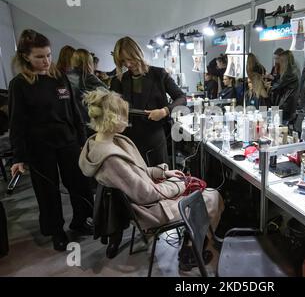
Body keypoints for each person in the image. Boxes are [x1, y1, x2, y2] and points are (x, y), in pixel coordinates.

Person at [79, 89, 223, 263]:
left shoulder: (104, 142)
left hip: (147, 200)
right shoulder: (111, 159)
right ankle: (191, 254)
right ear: (114, 118)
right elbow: (147, 194)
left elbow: (136, 172)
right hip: (149, 210)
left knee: (205, 194)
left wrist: (163, 172)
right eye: (125, 115)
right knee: (212, 196)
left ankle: (191, 240)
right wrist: (179, 185)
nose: (128, 119)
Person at [9, 30, 93, 251]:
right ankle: (56, 231)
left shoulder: (59, 76)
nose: (46, 61)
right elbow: (16, 123)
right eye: (39, 57)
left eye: (48, 55)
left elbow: (74, 111)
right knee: (48, 192)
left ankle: (81, 220)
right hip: (39, 147)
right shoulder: (20, 84)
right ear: (26, 56)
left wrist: (83, 140)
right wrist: (18, 156)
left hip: (68, 141)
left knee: (79, 184)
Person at [110, 37, 186, 166]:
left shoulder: (159, 74)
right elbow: (111, 108)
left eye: (130, 59)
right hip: (128, 139)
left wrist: (164, 111)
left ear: (138, 54)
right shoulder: (119, 80)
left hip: (154, 137)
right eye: (123, 61)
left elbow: (182, 98)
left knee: (160, 179)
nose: (128, 64)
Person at [66, 49, 108, 126]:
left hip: (70, 116)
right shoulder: (88, 77)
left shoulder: (66, 75)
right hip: (85, 117)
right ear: (89, 62)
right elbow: (107, 92)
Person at [269, 50, 300, 124]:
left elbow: (277, 87)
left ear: (284, 61)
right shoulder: (293, 71)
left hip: (285, 107)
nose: (278, 63)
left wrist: (268, 87)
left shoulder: (290, 73)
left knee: (279, 129)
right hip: (286, 107)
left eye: (280, 61)